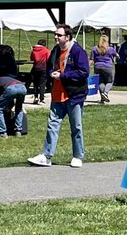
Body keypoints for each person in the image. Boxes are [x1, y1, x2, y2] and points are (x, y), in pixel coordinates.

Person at [28, 23, 89, 168]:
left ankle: (77, 156)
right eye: (55, 34)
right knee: (52, 125)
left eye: (59, 35)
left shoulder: (77, 51)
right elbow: (49, 67)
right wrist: (51, 74)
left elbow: (84, 72)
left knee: (76, 127)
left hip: (73, 95)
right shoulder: (55, 50)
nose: (55, 37)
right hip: (57, 94)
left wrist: (63, 76)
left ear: (67, 37)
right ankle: (47, 156)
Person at [91, 34, 118, 103]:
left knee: (101, 82)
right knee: (110, 81)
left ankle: (102, 97)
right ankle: (105, 93)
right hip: (108, 67)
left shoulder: (94, 49)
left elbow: (91, 59)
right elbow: (117, 55)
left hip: (97, 67)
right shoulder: (110, 49)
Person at [30, 39, 50, 105]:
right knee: (42, 84)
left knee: (35, 84)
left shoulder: (34, 50)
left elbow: (32, 59)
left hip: (35, 68)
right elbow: (48, 60)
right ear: (44, 44)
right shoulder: (46, 50)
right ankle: (41, 99)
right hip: (44, 69)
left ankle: (35, 97)